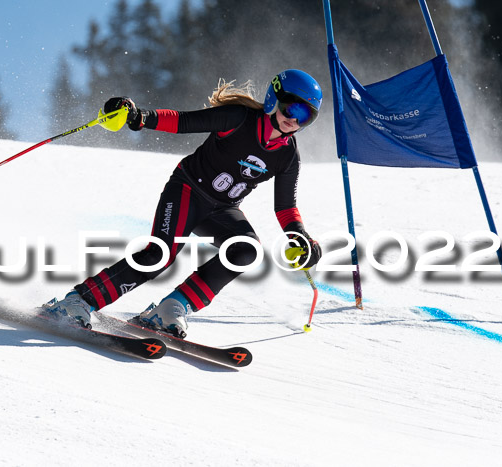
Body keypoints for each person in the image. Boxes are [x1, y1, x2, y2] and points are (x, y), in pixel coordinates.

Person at [42, 69, 323, 338]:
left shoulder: (288, 155)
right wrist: (141, 117)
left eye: (305, 117)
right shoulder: (239, 118)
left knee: (246, 250)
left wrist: (300, 237)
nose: (294, 120)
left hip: (222, 210)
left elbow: (285, 206)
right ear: (274, 99)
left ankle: (169, 310)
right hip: (187, 190)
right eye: (291, 109)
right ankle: (76, 302)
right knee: (159, 255)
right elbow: (184, 121)